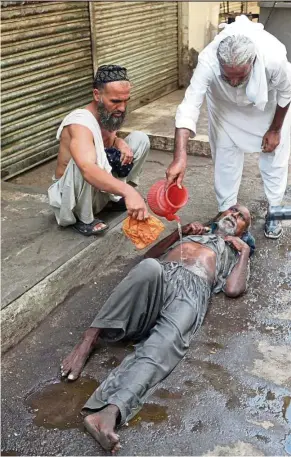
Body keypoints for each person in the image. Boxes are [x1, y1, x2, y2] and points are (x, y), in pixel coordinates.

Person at [61, 204, 253, 453]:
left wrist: (245, 252)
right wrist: (178, 232)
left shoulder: (234, 250)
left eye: (240, 219)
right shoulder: (193, 232)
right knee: (148, 268)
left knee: (165, 344)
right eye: (232, 211)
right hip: (161, 277)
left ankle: (110, 411)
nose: (233, 216)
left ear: (242, 232)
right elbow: (148, 257)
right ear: (219, 215)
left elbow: (233, 290)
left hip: (193, 292)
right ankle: (88, 340)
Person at [166, 15, 291, 240]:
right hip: (225, 108)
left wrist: (275, 129)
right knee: (224, 158)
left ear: (252, 63)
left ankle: (277, 211)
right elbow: (189, 106)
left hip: (267, 108)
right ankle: (227, 209)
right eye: (228, 77)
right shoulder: (208, 61)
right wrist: (180, 156)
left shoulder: (273, 59)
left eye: (239, 77)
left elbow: (286, 92)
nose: (233, 83)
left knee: (276, 161)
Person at [48, 65, 150, 236]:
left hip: (97, 191)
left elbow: (106, 143)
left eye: (126, 100)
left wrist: (119, 142)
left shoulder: (108, 113)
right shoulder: (80, 123)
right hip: (72, 199)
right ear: (97, 95)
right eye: (116, 101)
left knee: (140, 139)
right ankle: (84, 218)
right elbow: (87, 168)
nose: (123, 108)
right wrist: (129, 191)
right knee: (84, 162)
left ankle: (113, 201)